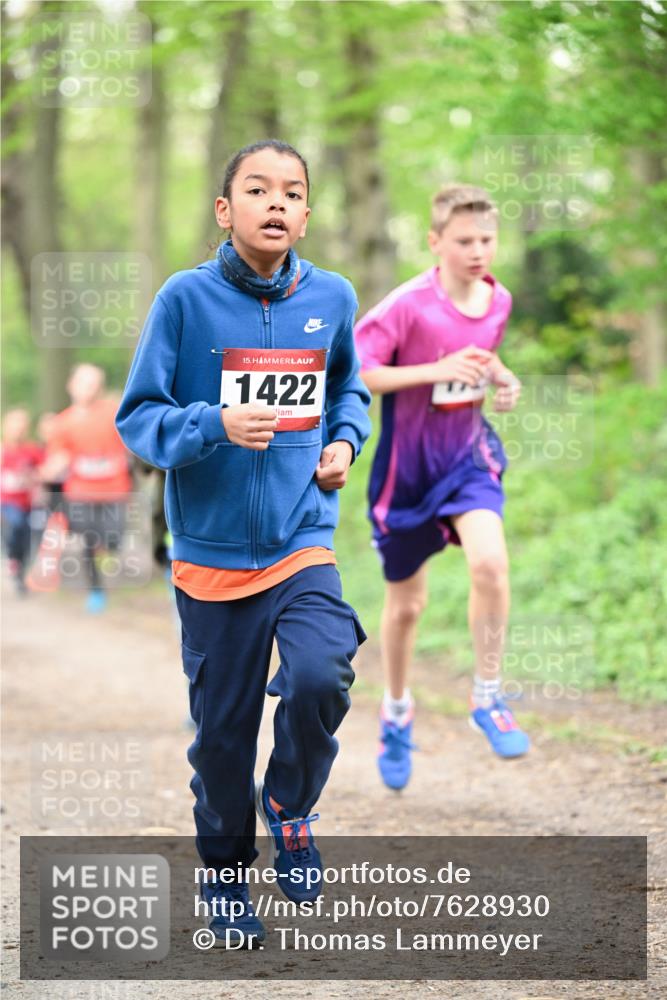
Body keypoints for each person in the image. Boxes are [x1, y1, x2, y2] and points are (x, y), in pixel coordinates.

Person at [116, 140, 370, 947]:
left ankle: (290, 807)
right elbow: (140, 420)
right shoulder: (184, 302)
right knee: (222, 735)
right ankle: (226, 879)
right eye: (256, 190)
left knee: (322, 670)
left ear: (305, 212)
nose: (276, 203)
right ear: (225, 211)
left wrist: (343, 442)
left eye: (291, 192)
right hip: (211, 556)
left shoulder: (331, 296)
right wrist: (212, 425)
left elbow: (347, 390)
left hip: (301, 539)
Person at [354, 183, 529, 792]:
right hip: (406, 474)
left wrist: (503, 378)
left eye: (486, 239)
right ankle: (396, 711)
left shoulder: (498, 298)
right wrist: (435, 370)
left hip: (466, 460)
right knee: (407, 607)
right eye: (464, 241)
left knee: (490, 564)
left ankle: (487, 696)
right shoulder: (406, 305)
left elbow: (482, 357)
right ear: (435, 243)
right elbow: (359, 372)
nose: (478, 251)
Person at [36, 364, 132, 612]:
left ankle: (108, 550)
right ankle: (96, 591)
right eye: (83, 383)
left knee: (114, 536)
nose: (88, 389)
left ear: (99, 387)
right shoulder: (62, 423)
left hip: (115, 491)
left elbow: (131, 440)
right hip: (80, 493)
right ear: (71, 386)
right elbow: (60, 457)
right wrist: (45, 472)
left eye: (93, 384)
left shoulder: (114, 413)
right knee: (88, 541)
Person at [1, 408, 43, 595]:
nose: (18, 430)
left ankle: (19, 571)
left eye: (21, 426)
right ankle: (11, 558)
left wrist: (32, 477)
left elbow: (44, 472)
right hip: (6, 502)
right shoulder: (3, 450)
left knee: (26, 540)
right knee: (15, 525)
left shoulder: (32, 451)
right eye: (14, 426)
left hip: (27, 502)